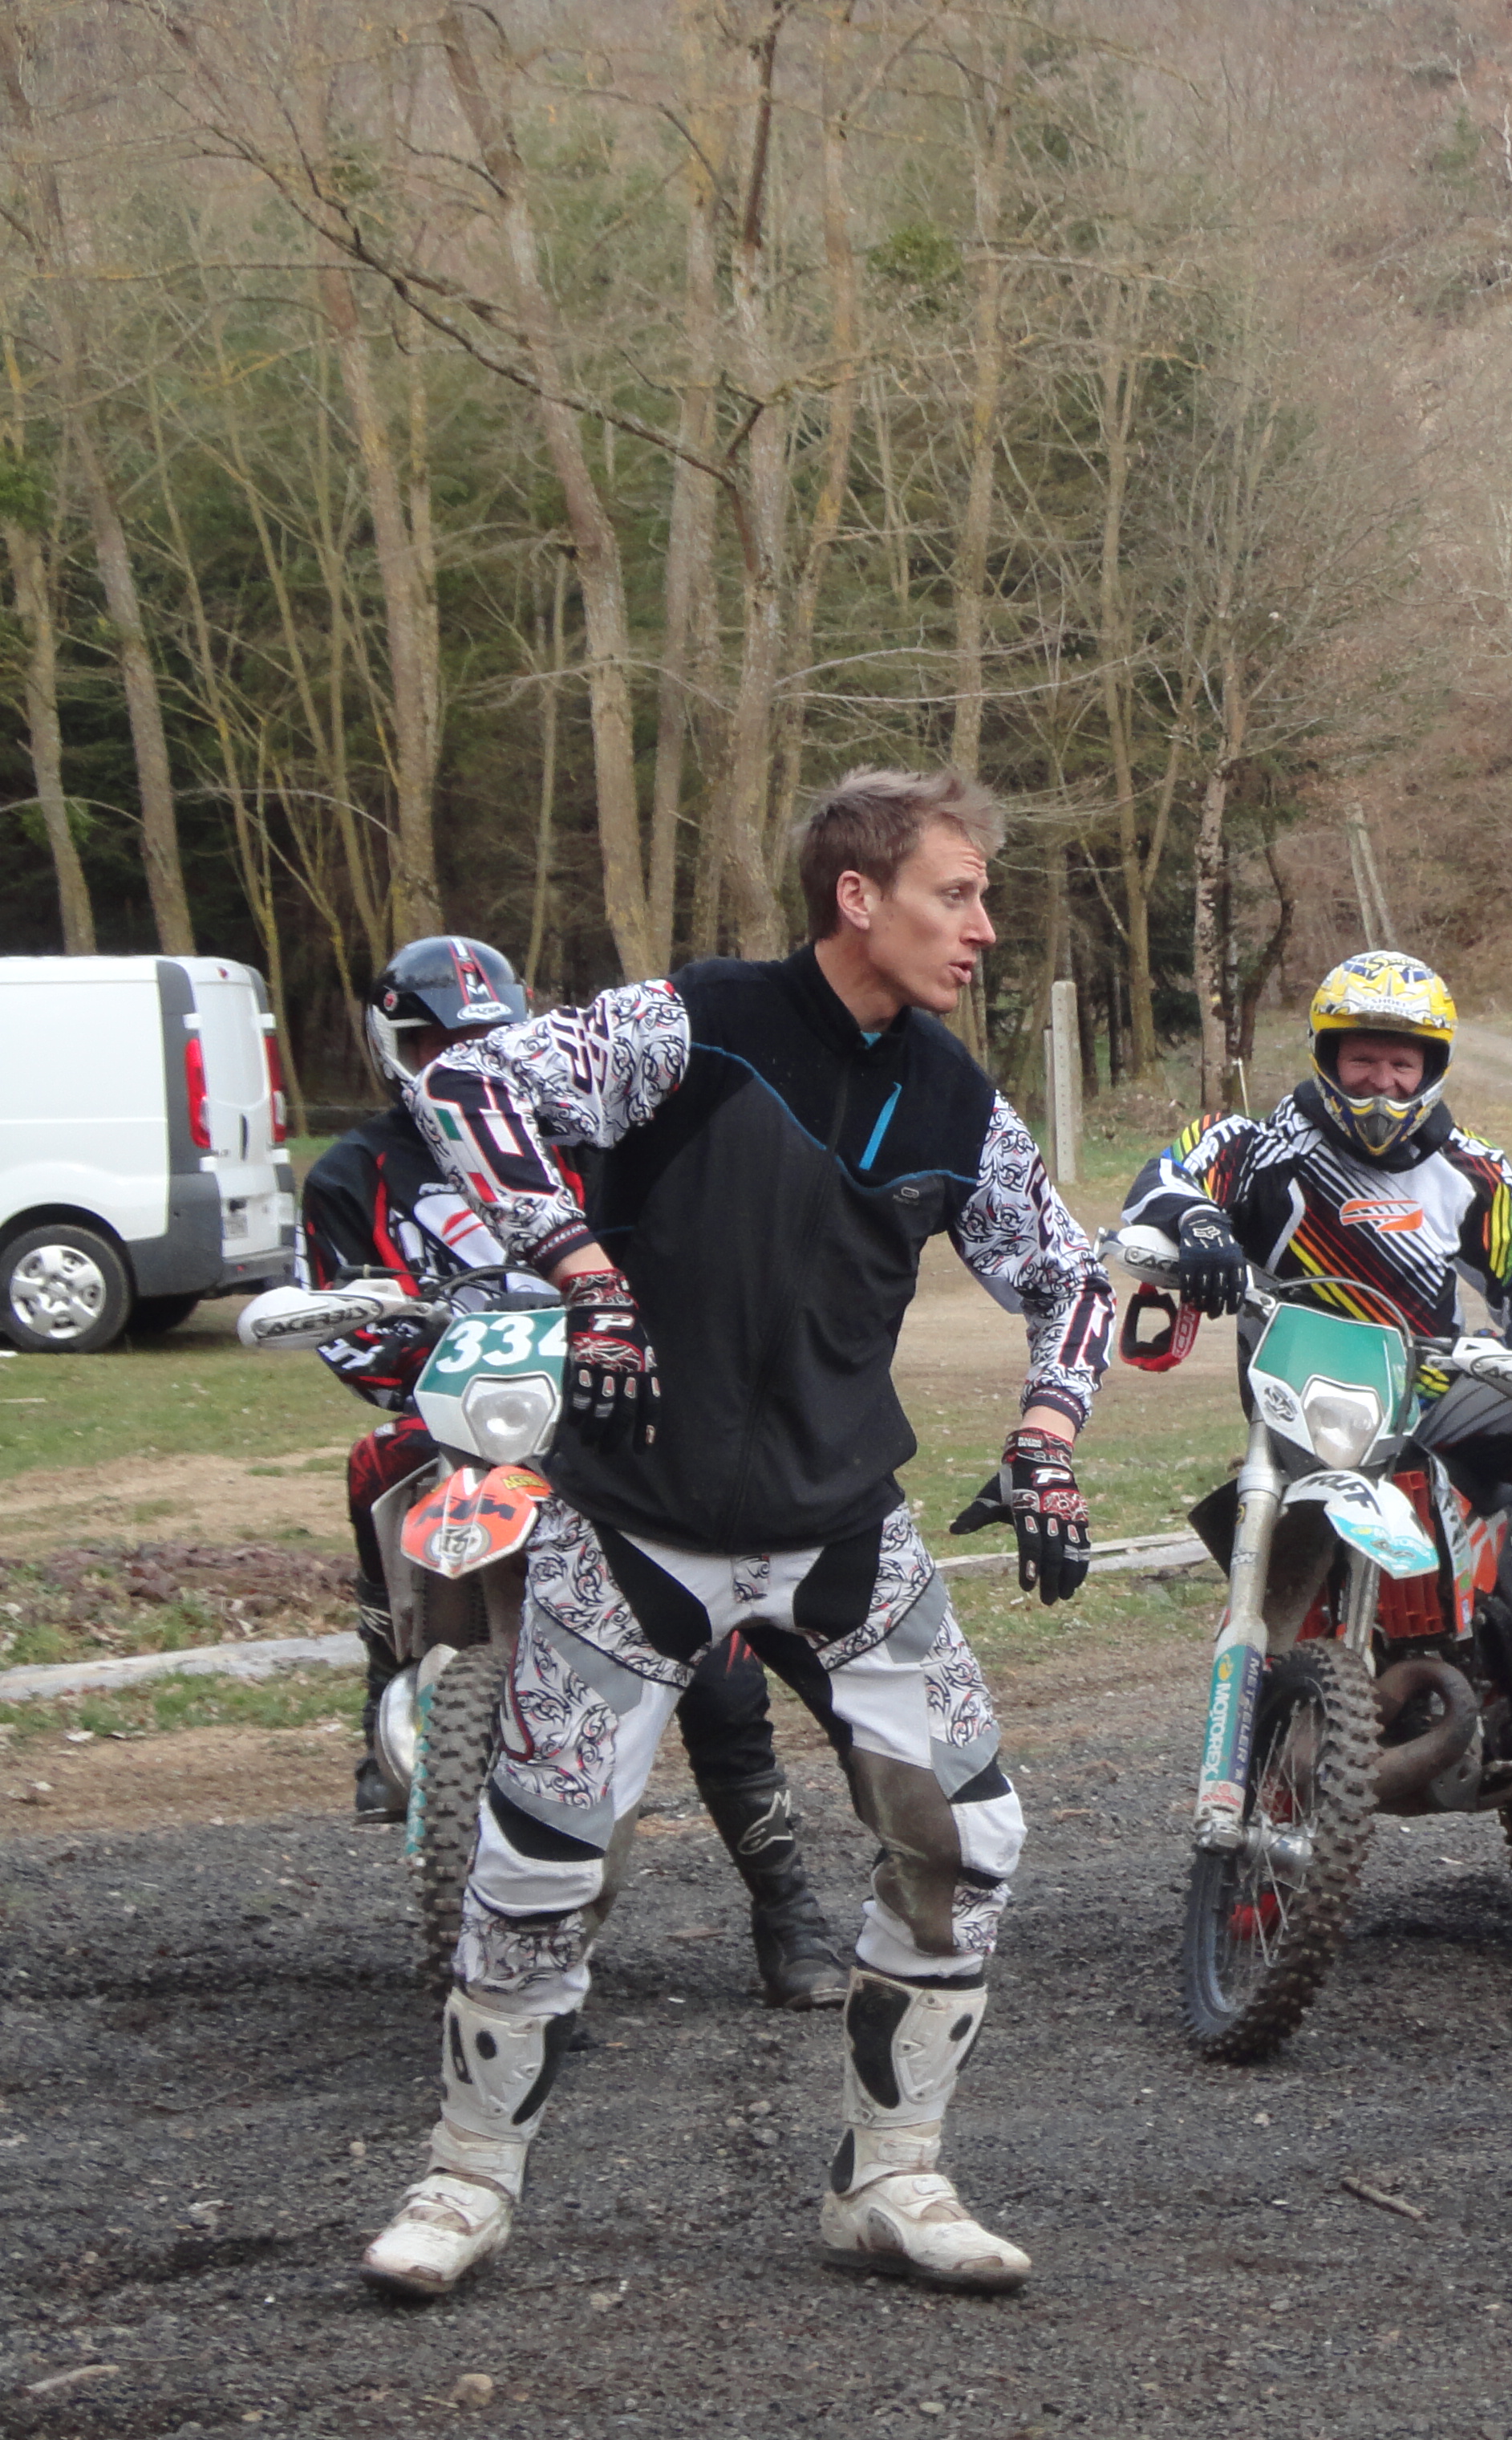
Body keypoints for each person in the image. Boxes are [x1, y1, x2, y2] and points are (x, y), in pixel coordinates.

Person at [358, 768, 1113, 2301]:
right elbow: (462, 1089)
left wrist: (1046, 1437)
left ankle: (892, 2179)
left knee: (969, 1838)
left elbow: (1074, 1277)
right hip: (631, 1520)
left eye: (981, 897)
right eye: (954, 893)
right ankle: (463, 2181)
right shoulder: (689, 1021)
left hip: (842, 1524)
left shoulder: (957, 1093)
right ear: (859, 895)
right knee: (545, 1860)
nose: (982, 926)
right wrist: (577, 1263)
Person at [306, 935, 839, 2012]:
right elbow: (342, 1320)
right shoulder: (352, 1172)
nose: (454, 1053)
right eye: (432, 1040)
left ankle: (788, 1906)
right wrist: (409, 1338)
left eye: (479, 1037)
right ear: (393, 1046)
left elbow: (683, 1260)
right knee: (378, 1462)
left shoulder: (588, 1143)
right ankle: (389, 1683)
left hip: (607, 1415)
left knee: (721, 1665)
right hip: (459, 1412)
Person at [1122, 951, 1512, 1763]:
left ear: (1431, 1067)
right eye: (1363, 1058)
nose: (1382, 1082)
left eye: (1403, 1063)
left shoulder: (1474, 1168)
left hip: (1433, 1392)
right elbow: (1164, 1180)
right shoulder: (1255, 1145)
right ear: (1329, 1056)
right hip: (1302, 1398)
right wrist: (1198, 1228)